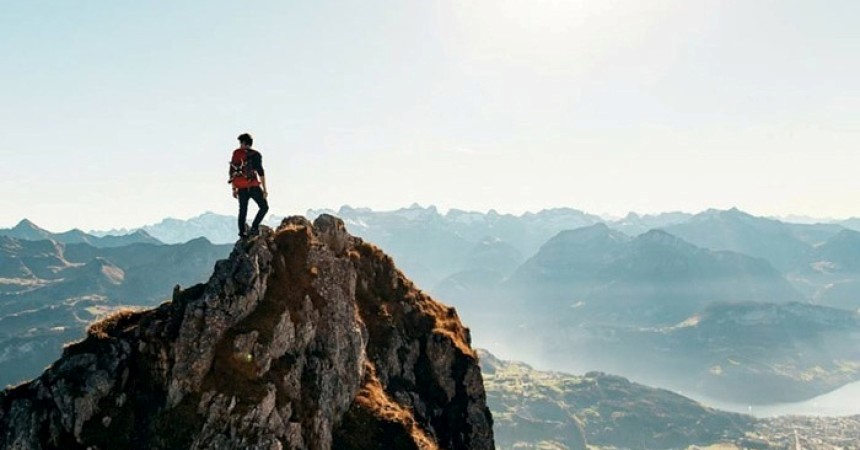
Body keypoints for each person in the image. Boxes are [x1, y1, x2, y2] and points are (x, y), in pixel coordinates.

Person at [228, 133, 269, 238]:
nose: (239, 145)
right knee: (264, 207)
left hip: (241, 188)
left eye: (240, 143)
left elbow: (232, 172)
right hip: (253, 186)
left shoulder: (236, 153)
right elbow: (260, 172)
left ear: (243, 143)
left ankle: (242, 233)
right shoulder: (255, 155)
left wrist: (234, 188)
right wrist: (265, 189)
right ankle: (254, 227)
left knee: (242, 211)